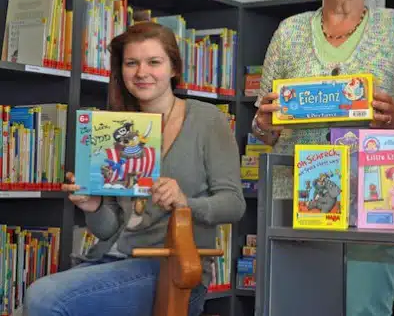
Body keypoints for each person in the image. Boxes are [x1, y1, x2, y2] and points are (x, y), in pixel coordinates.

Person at [23, 22, 246, 316]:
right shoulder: (119, 126)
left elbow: (234, 204)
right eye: (131, 63)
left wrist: (185, 202)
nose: (142, 73)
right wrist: (93, 205)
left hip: (170, 267)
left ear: (174, 68)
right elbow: (109, 230)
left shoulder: (207, 120)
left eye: (154, 62)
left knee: (43, 298)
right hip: (110, 260)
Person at [253, 0, 394, 316]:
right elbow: (263, 125)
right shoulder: (288, 32)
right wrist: (264, 125)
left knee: (365, 309)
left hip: (373, 205)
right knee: (296, 306)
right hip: (295, 201)